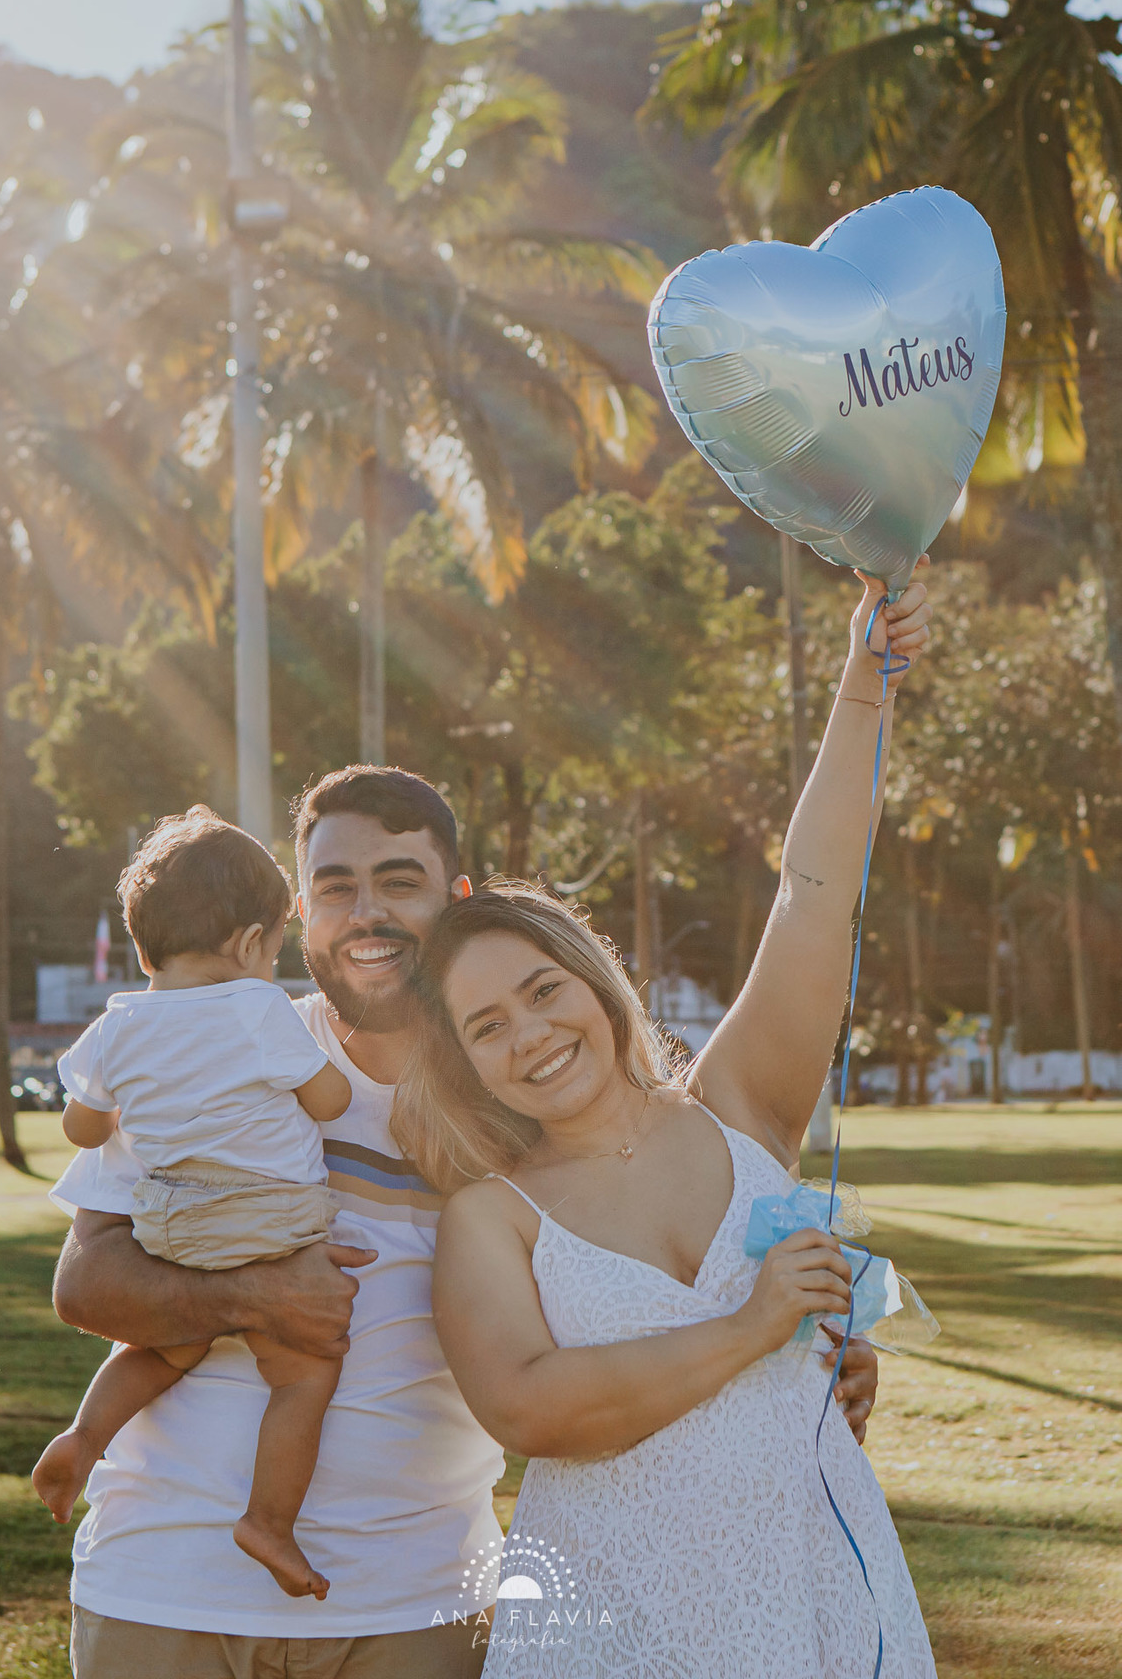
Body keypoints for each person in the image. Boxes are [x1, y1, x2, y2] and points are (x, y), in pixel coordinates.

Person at [48, 767, 881, 1679]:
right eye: (335, 887)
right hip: (163, 1586)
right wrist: (254, 1295)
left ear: (456, 899)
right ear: (299, 912)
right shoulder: (208, 1050)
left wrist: (803, 1354)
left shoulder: (527, 1104)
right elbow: (86, 1286)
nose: (366, 912)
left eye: (399, 881)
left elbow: (640, 1290)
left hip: (419, 1608)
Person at [394, 566, 937, 1677]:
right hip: (616, 1620)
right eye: (487, 1027)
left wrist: (865, 682)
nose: (532, 1035)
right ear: (466, 1066)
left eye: (544, 991)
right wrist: (751, 1333)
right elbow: (531, 1412)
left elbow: (816, 893)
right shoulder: (492, 1221)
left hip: (814, 1592)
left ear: (594, 982)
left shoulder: (740, 1106)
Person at [33, 808, 352, 1601]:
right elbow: (333, 1099)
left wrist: (118, 1108)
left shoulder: (117, 1025)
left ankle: (85, 1433)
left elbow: (81, 1124)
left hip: (170, 1222)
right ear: (251, 943)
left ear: (143, 945)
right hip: (268, 1215)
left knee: (165, 1348)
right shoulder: (258, 1008)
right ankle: (268, 1522)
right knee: (304, 1371)